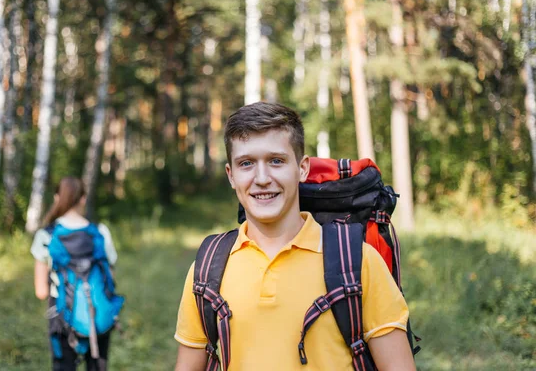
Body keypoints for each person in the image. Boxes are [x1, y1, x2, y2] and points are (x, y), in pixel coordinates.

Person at [174, 102, 416, 370]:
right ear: (231, 175)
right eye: (246, 164)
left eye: (276, 161)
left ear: (302, 168)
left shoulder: (358, 261)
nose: (262, 178)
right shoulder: (208, 268)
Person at [31, 176, 119, 371]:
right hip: (98, 313)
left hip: (62, 316)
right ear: (83, 199)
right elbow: (110, 279)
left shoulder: (46, 235)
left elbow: (41, 291)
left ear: (57, 197)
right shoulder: (100, 232)